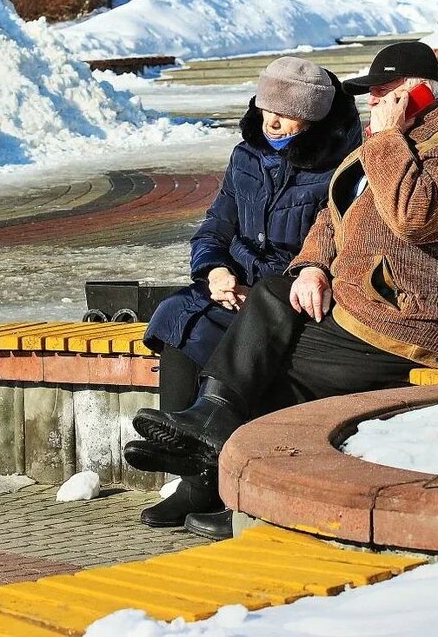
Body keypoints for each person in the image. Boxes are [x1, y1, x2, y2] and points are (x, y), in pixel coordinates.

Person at [130, 42, 438, 539]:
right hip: (370, 309)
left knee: (272, 360)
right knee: (253, 307)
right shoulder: (400, 141)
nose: (375, 102)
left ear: (417, 96)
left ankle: (225, 472)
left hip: (420, 325)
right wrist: (310, 267)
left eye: (387, 93)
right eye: (372, 93)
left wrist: (387, 140)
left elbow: (415, 217)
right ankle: (210, 441)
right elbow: (334, 214)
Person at [127, 56, 361, 529]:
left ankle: (207, 476)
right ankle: (192, 477)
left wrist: (273, 284)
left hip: (283, 297)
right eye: (265, 108)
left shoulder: (339, 168)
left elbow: (335, 245)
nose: (271, 121)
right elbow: (215, 226)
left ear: (313, 116)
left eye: (285, 113)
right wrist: (214, 270)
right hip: (234, 286)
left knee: (213, 334)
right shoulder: (247, 155)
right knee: (179, 315)